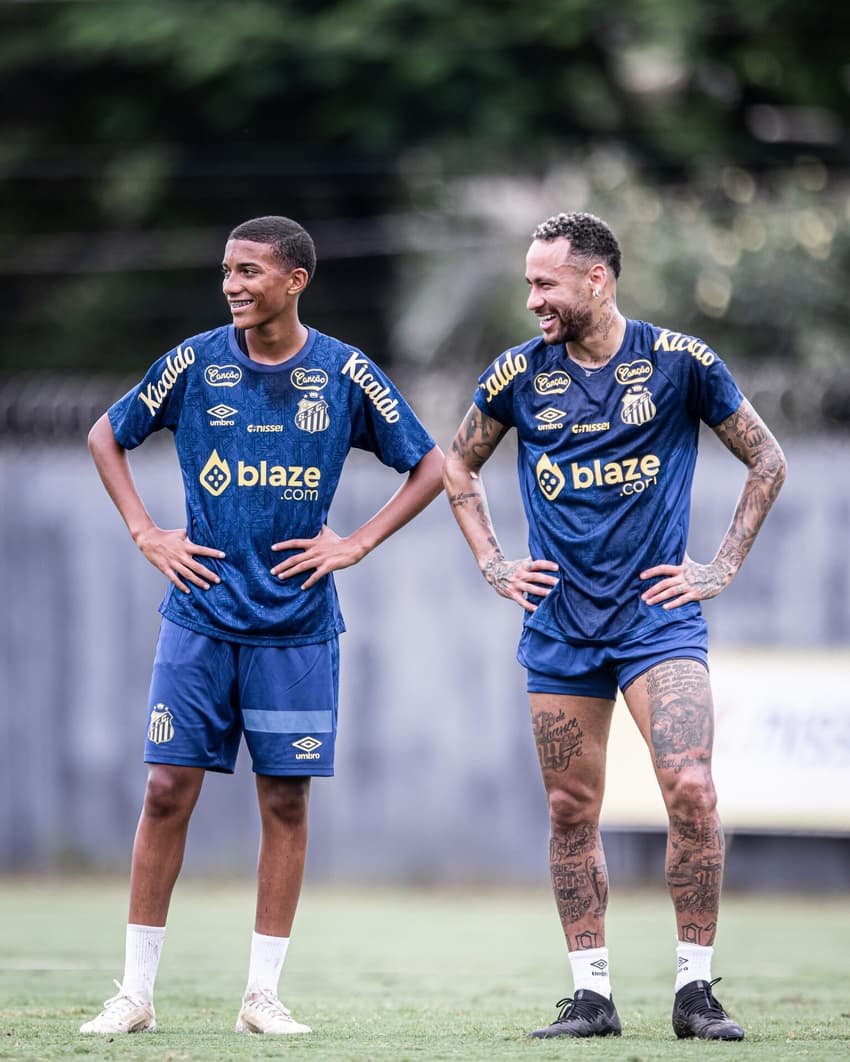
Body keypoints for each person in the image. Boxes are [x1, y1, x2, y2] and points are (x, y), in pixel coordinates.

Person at [81, 215, 444, 1037]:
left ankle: (261, 998)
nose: (232, 285)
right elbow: (107, 432)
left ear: (294, 281)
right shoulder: (196, 361)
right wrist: (146, 530)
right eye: (226, 271)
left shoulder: (347, 372)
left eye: (249, 271)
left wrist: (355, 542)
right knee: (166, 789)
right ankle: (134, 994)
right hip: (200, 617)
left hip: (297, 628)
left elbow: (430, 464)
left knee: (285, 802)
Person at [442, 211, 786, 1041]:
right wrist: (493, 561)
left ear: (597, 278)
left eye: (545, 283)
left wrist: (720, 567)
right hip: (559, 625)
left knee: (692, 789)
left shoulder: (680, 364)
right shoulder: (519, 375)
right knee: (569, 809)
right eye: (528, 283)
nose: (533, 301)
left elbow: (768, 458)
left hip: (657, 622)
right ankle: (591, 997)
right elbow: (456, 462)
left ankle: (695, 991)